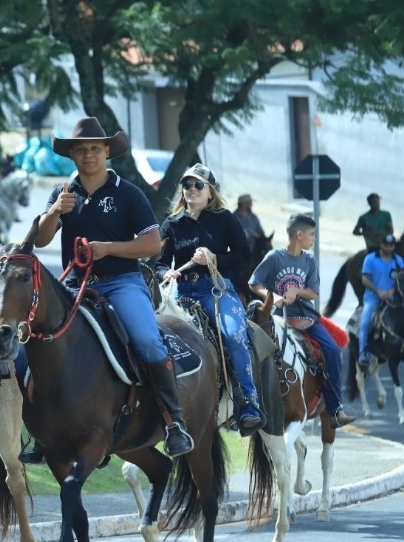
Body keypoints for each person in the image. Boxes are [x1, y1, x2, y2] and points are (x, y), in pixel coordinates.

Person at [18, 117, 193, 464]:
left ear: (107, 151)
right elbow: (40, 239)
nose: (88, 156)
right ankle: (41, 430)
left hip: (121, 283)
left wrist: (108, 248)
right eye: (81, 150)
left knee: (146, 340)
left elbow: (152, 243)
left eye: (95, 149)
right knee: (29, 344)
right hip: (72, 287)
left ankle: (174, 422)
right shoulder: (63, 192)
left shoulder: (128, 194)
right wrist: (54, 212)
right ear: (72, 155)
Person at [156, 164, 264, 437]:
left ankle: (248, 406)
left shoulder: (225, 219)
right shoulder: (171, 224)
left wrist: (215, 258)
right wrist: (164, 271)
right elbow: (156, 262)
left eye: (198, 185)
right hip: (180, 295)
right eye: (187, 185)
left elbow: (243, 257)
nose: (192, 189)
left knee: (234, 334)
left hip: (216, 291)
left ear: (210, 191)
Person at [249, 213, 356, 427]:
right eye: (312, 234)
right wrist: (273, 296)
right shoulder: (274, 257)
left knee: (333, 351)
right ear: (299, 234)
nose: (314, 239)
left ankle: (335, 409)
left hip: (306, 318)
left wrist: (296, 290)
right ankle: (248, 404)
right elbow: (254, 283)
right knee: (253, 352)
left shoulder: (309, 260)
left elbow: (314, 292)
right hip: (278, 318)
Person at [358, 233, 404, 369]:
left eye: (391, 245)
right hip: (373, 297)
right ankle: (362, 353)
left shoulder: (398, 261)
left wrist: (391, 291)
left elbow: (401, 280)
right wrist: (378, 291)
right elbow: (364, 279)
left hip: (392, 297)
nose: (389, 248)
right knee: (365, 321)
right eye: (386, 245)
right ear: (381, 245)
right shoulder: (370, 259)